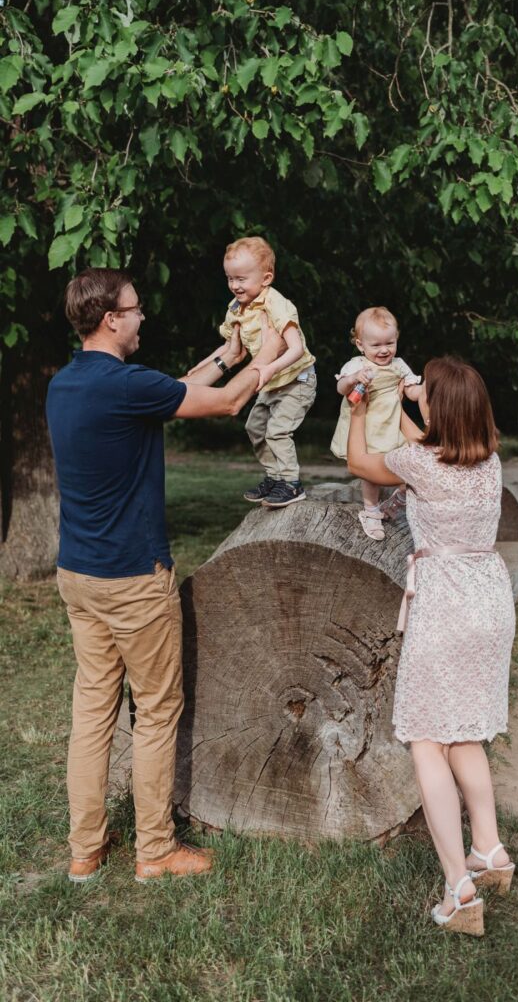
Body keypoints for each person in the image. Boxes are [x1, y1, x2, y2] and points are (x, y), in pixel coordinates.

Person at [46, 266, 285, 885]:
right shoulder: (125, 386)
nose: (143, 314)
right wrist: (272, 354)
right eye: (136, 307)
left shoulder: (68, 383)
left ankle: (85, 849)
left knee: (92, 710)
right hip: (132, 579)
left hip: (78, 574)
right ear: (111, 319)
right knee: (155, 711)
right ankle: (155, 850)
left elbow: (174, 391)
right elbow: (228, 403)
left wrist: (225, 354)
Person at [346, 356, 516, 937]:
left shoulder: (421, 465)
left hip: (445, 606)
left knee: (426, 741)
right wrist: (413, 404)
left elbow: (358, 459)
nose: (415, 390)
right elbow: (431, 438)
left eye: (425, 389)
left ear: (440, 408)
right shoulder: (488, 461)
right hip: (490, 602)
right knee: (464, 729)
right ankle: (489, 849)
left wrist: (363, 406)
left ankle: (457, 888)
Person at [188, 236, 316, 508]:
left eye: (241, 279)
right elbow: (229, 346)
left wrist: (269, 367)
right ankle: (275, 476)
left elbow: (295, 348)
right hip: (271, 381)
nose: (234, 285)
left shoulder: (275, 303)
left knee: (278, 431)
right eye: (230, 278)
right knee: (255, 427)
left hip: (297, 379)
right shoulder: (237, 308)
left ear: (266, 277)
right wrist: (203, 364)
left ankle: (292, 483)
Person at [330, 307, 421, 540]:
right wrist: (352, 379)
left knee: (411, 463)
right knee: (370, 472)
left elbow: (410, 391)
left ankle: (399, 497)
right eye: (376, 345)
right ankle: (370, 510)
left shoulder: (399, 365)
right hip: (366, 428)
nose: (384, 350)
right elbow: (341, 389)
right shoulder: (357, 365)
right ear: (361, 345)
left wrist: (424, 391)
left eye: (389, 343)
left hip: (390, 425)